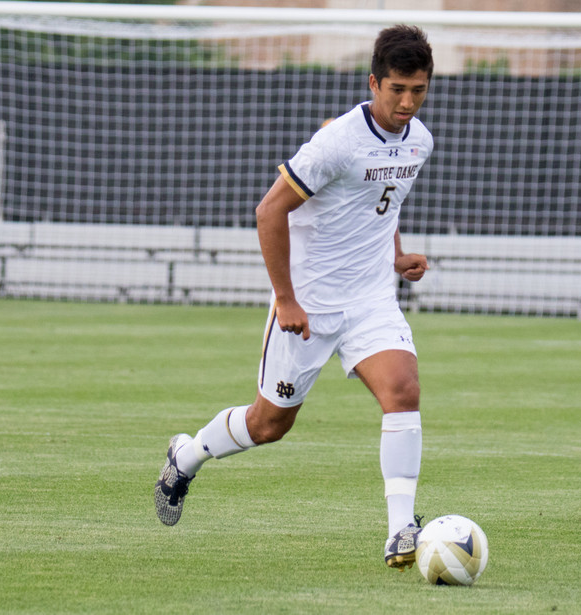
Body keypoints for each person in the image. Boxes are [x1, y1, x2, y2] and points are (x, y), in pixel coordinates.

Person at [155, 24, 434, 571]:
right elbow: (269, 211)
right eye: (397, 88)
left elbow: (383, 202)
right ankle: (185, 456)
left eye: (418, 90)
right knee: (269, 425)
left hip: (371, 300)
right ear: (373, 82)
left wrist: (396, 257)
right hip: (307, 307)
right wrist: (285, 299)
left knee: (403, 390)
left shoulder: (419, 140)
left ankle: (401, 528)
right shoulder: (336, 141)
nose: (406, 101)